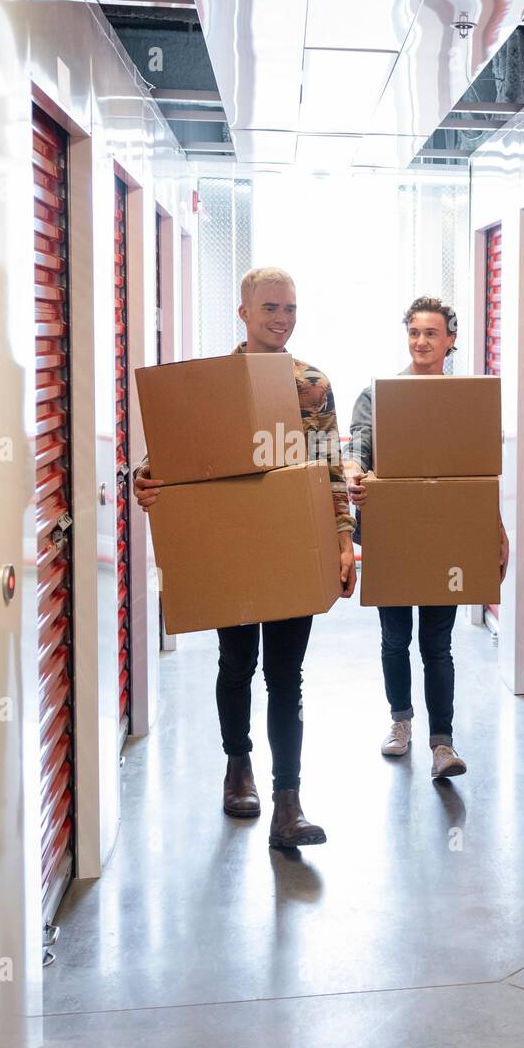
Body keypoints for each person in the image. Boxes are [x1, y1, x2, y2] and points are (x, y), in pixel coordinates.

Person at [133, 267, 356, 848]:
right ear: (244, 313)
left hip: (292, 542)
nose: (282, 319)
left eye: (290, 308)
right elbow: (171, 460)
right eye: (270, 309)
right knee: (238, 664)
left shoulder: (312, 383)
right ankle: (238, 767)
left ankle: (289, 802)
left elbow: (331, 467)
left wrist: (342, 541)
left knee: (287, 676)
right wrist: (145, 481)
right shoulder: (217, 383)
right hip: (232, 544)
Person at [345, 296, 509, 780]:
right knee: (395, 639)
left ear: (450, 340)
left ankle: (443, 743)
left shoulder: (464, 400)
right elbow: (357, 449)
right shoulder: (378, 396)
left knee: (437, 644)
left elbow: (479, 472)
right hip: (393, 532)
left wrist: (493, 530)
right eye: (414, 332)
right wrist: (354, 475)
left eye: (431, 333)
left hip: (446, 538)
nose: (421, 341)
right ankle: (401, 723)